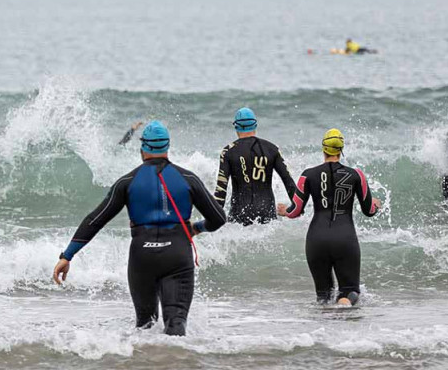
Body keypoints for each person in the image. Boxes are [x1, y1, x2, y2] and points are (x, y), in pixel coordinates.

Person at [52, 121, 225, 336]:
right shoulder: (188, 178)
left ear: (142, 148)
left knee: (145, 327)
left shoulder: (127, 182)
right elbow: (218, 218)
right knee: (176, 325)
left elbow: (95, 219)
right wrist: (196, 228)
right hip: (178, 256)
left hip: (142, 257)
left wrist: (67, 256)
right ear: (167, 147)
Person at [278, 129, 381, 306]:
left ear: (324, 149)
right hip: (345, 238)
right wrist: (376, 204)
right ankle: (344, 315)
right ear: (341, 149)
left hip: (316, 239)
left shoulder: (307, 175)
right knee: (350, 292)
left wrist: (284, 211)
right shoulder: (357, 175)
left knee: (323, 296)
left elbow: (295, 210)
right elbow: (368, 211)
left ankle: (323, 332)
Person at [213, 107, 298, 225]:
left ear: (236, 126)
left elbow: (221, 190)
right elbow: (289, 182)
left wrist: (212, 220)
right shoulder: (272, 149)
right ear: (255, 125)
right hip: (267, 214)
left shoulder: (228, 152)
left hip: (239, 216)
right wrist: (294, 210)